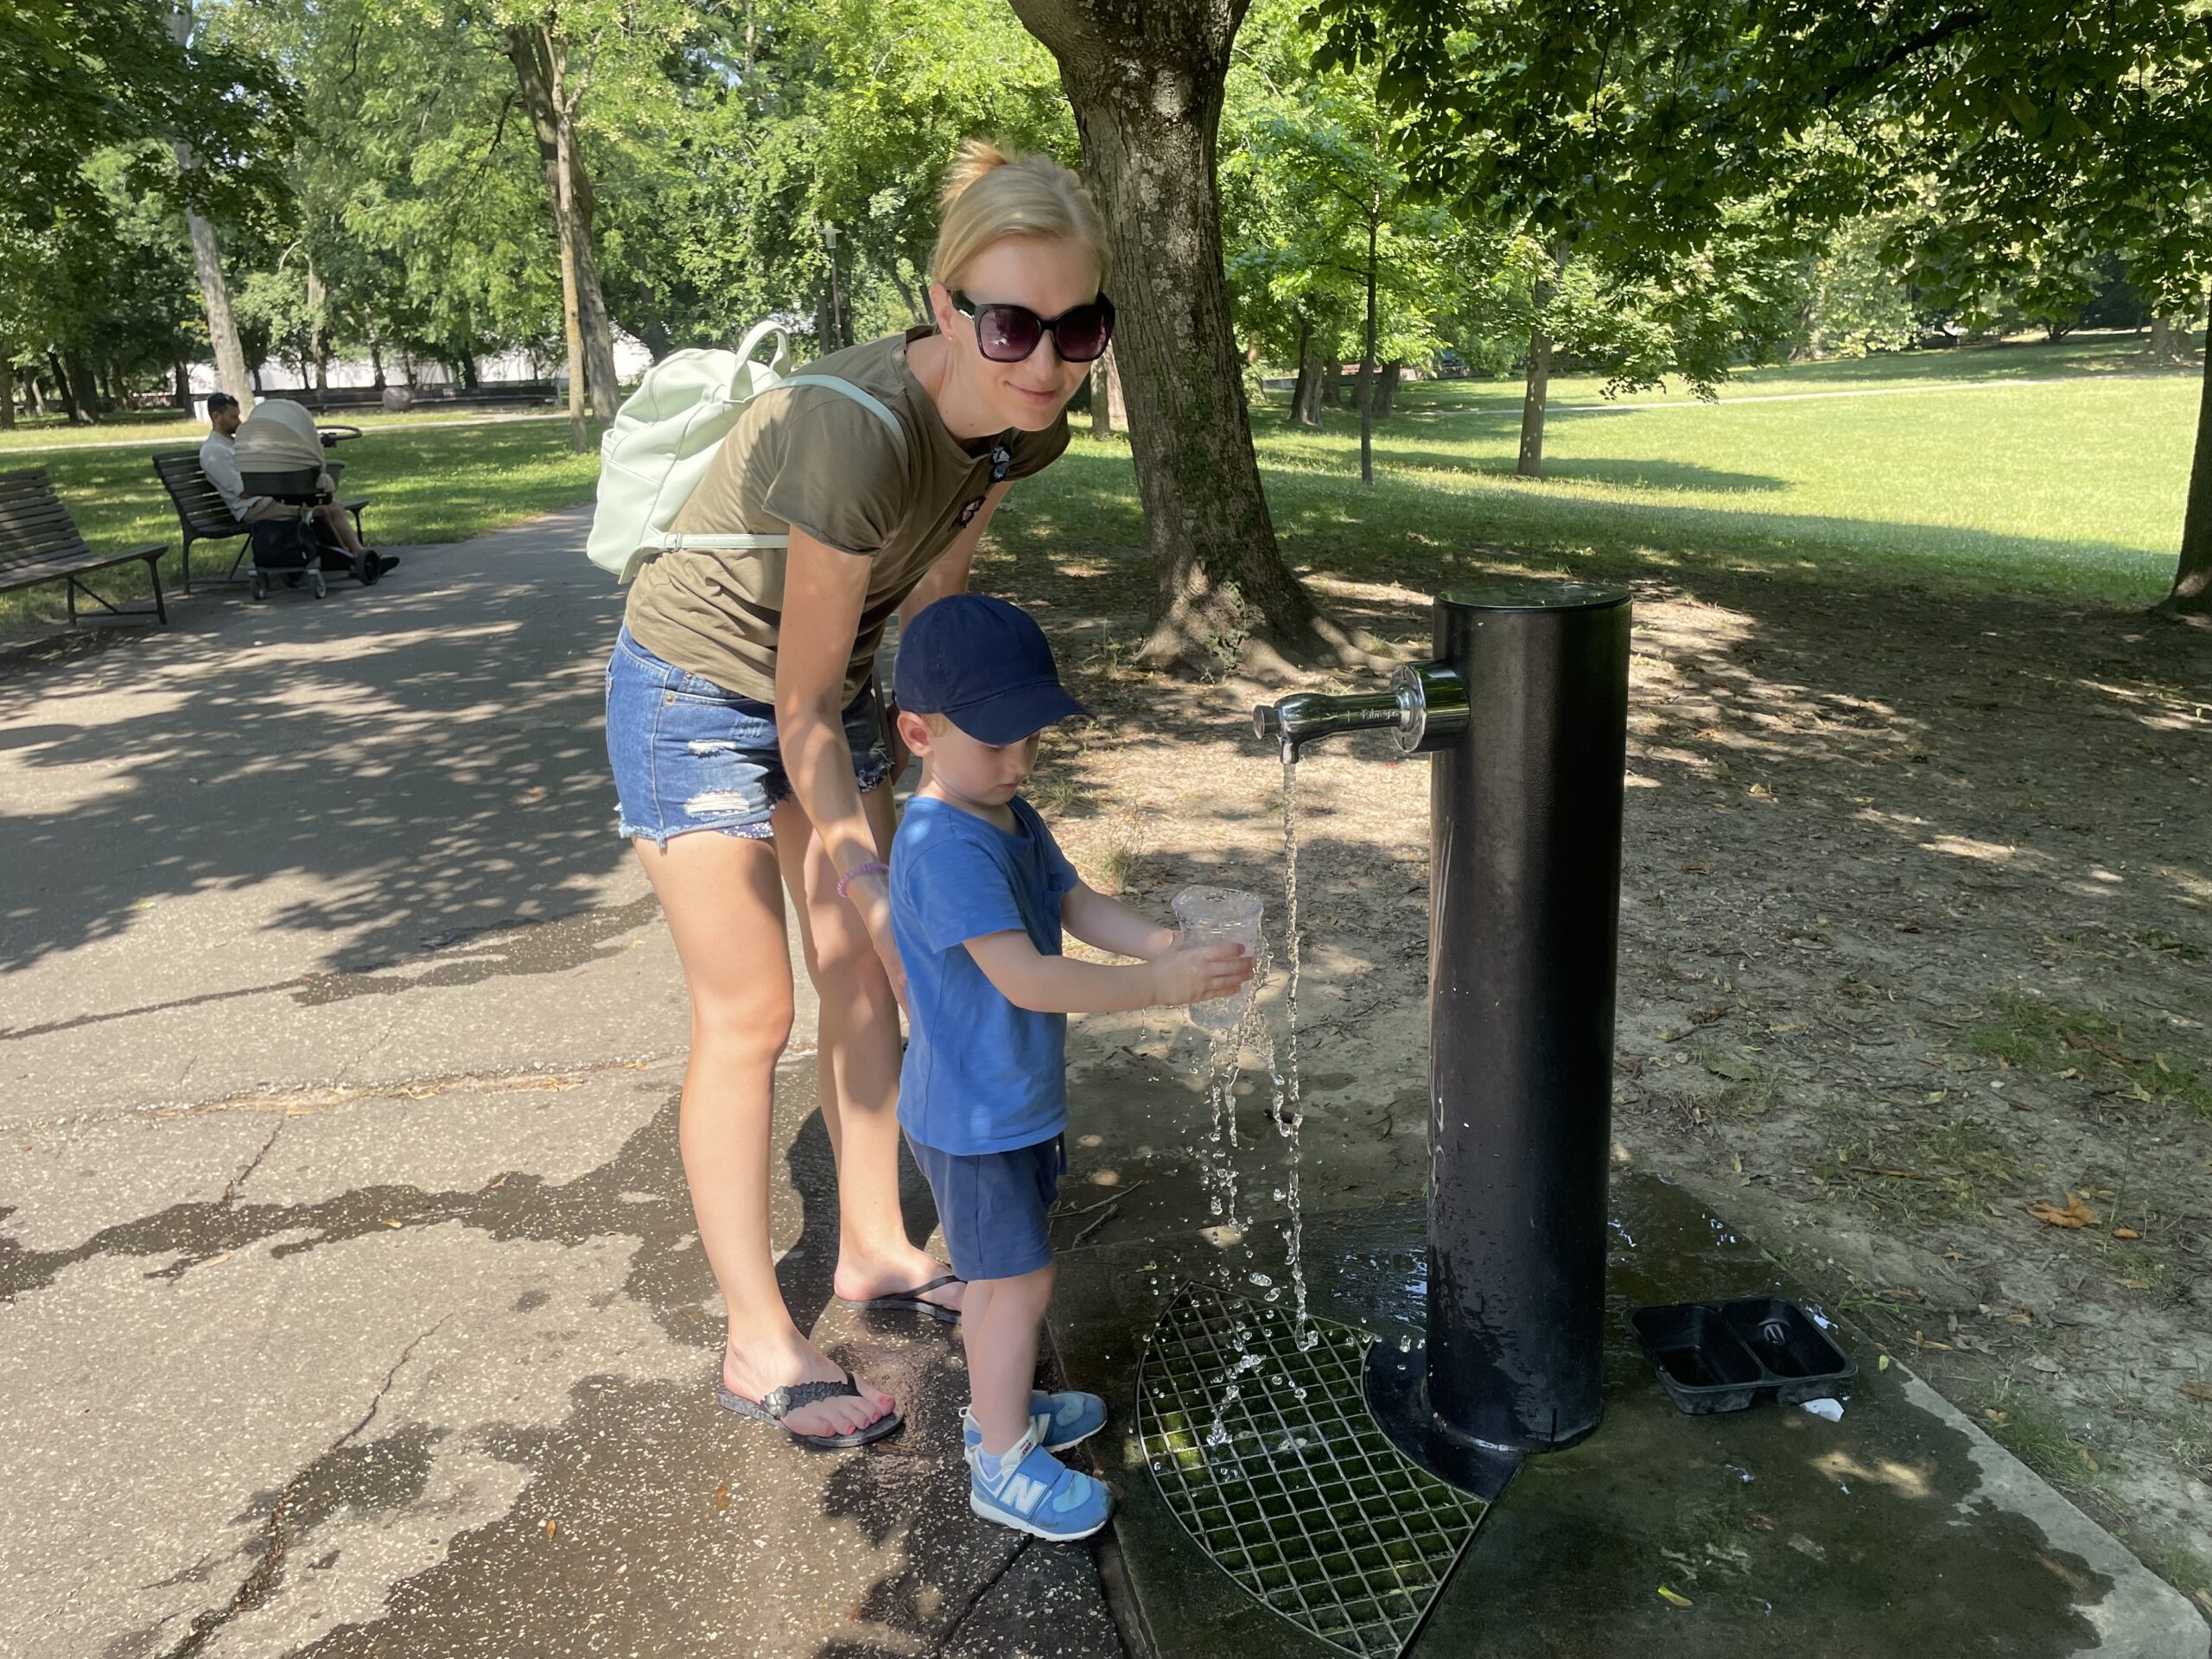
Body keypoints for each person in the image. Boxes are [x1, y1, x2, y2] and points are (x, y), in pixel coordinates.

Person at [604, 141, 1123, 1447]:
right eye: (1010, 323)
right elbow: (792, 707)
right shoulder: (853, 430)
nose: (1045, 361)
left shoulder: (1026, 427)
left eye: (1078, 327)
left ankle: (877, 1247)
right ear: (946, 308)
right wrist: (880, 878)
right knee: (753, 1008)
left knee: (862, 970)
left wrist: (942, 770)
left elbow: (935, 600)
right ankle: (754, 1340)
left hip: (823, 688)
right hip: (695, 688)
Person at [888, 594, 1253, 1538]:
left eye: (1032, 742)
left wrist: (1164, 943)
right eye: (995, 743)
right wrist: (1157, 990)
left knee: (1014, 1280)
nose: (1017, 763)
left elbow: (1075, 905)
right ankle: (998, 1459)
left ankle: (1003, 1402)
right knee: (1014, 1285)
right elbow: (1023, 978)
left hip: (1009, 1106)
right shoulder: (941, 844)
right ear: (919, 733)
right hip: (971, 1121)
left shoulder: (1008, 815)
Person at [200, 392, 382, 563]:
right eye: (233, 417)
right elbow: (243, 492)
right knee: (321, 510)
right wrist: (278, 485)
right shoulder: (214, 452)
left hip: (268, 498)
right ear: (216, 417)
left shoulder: (233, 444)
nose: (238, 422)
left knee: (332, 505)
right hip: (253, 507)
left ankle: (356, 556)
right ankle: (351, 559)